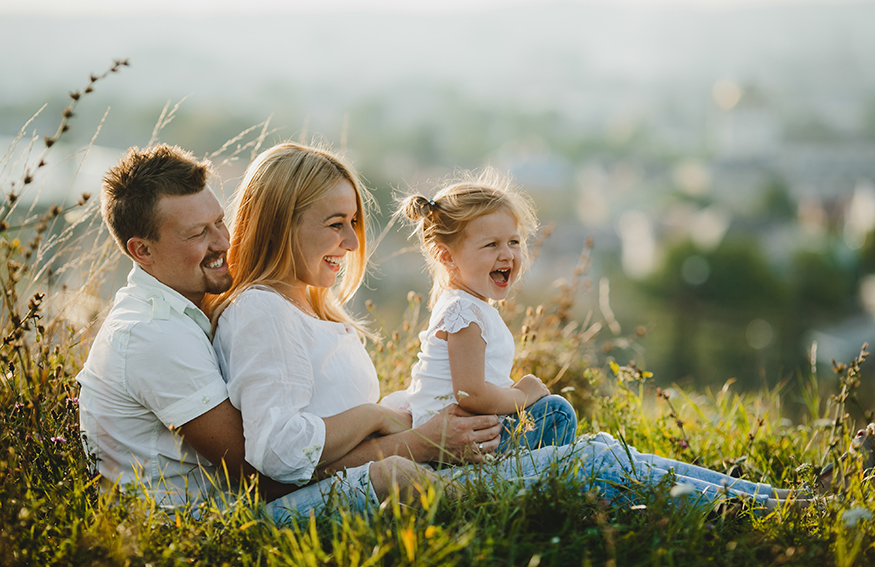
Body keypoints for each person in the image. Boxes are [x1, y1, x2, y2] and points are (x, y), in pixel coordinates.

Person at [209, 141, 809, 520]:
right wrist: (392, 426)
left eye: (353, 223)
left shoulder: (309, 309)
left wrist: (403, 423)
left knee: (592, 452)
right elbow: (278, 454)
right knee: (590, 462)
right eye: (334, 224)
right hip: (338, 501)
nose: (349, 241)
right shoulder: (262, 312)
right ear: (281, 223)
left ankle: (767, 499)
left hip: (388, 471)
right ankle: (772, 508)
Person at [76, 143, 490, 510]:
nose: (223, 242)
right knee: (397, 477)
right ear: (142, 250)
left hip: (232, 509)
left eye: (220, 221)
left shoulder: (188, 307)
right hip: (195, 532)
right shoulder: (154, 334)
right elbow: (267, 476)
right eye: (198, 233)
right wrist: (400, 433)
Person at [380, 172, 577, 452]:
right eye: (491, 245)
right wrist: (521, 395)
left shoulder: (468, 305)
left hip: (468, 429)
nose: (507, 254)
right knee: (557, 412)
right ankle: (542, 477)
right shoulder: (464, 312)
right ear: (447, 256)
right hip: (458, 440)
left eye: (514, 242)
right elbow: (469, 394)